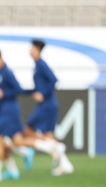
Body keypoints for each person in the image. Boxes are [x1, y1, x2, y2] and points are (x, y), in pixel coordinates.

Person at [0, 49, 63, 183]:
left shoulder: (7, 72)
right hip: (1, 110)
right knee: (17, 140)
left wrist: (3, 93)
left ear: (0, 58)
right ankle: (46, 145)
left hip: (8, 111)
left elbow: (17, 89)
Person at [23, 39, 73, 176]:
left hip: (47, 104)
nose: (29, 50)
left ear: (37, 49)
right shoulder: (37, 65)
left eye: (31, 48)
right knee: (45, 134)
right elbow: (38, 87)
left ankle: (56, 150)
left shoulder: (41, 64)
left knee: (30, 129)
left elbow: (53, 80)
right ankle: (60, 156)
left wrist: (42, 94)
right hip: (46, 104)